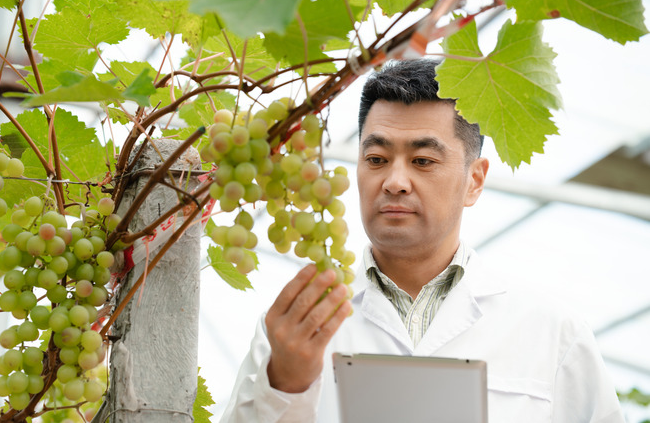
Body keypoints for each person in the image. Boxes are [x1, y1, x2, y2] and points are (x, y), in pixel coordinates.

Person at [220, 59, 624, 422]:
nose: (394, 182)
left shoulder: (554, 334)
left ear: (475, 180)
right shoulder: (293, 327)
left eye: (423, 161)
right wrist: (287, 385)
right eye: (376, 159)